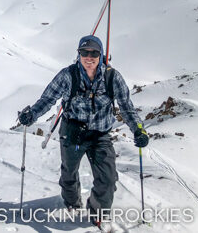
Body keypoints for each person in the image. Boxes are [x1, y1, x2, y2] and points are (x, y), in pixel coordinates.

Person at [18, 35, 149, 228]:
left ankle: (97, 210)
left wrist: (139, 130)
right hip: (72, 131)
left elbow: (127, 108)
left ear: (101, 55)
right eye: (84, 52)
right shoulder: (67, 75)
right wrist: (33, 114)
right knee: (69, 172)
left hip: (100, 135)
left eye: (94, 53)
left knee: (108, 178)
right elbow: (47, 99)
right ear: (78, 54)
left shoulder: (112, 77)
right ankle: (72, 202)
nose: (89, 57)